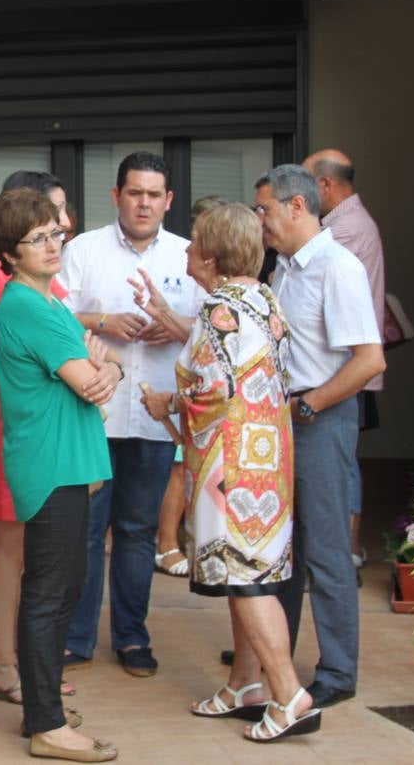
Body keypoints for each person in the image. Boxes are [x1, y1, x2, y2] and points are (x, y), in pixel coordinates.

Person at [139, 203, 318, 742]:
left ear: (212, 255)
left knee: (246, 579)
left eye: (193, 241)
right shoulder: (263, 298)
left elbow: (211, 388)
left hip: (231, 468)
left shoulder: (219, 307)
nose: (187, 250)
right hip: (267, 459)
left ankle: (288, 694)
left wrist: (165, 401)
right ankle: (245, 685)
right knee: (251, 573)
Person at [0, 171, 118, 704]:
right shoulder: (5, 283)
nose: (61, 229)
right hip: (23, 425)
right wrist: (100, 367)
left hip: (52, 426)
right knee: (16, 551)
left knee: (44, 563)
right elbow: (58, 356)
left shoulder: (43, 289)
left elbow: (91, 358)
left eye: (60, 224)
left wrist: (105, 365)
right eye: (49, 219)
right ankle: (7, 662)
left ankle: (32, 663)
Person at [60, 151, 203, 678]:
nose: (143, 203)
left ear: (169, 201)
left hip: (154, 414)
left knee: (140, 532)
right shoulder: (82, 249)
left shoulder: (189, 255)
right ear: (116, 195)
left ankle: (132, 638)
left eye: (154, 195)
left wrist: (178, 325)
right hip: (92, 411)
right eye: (134, 192)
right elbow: (53, 316)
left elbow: (213, 329)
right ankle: (76, 638)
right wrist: (102, 321)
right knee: (88, 532)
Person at [253, 164, 385, 710]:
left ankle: (337, 670)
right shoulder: (282, 267)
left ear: (297, 207)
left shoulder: (338, 268)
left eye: (265, 209)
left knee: (327, 551)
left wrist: (308, 405)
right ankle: (276, 653)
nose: (259, 219)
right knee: (283, 550)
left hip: (319, 419)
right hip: (283, 422)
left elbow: (368, 361)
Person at [302, 149, 387, 568]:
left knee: (344, 464)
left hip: (345, 371)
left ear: (324, 186)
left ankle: (345, 551)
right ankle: (343, 551)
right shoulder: (349, 222)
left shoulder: (343, 232)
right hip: (344, 369)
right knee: (346, 462)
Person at [136, 195, 228, 579]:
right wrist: (164, 317)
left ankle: (193, 542)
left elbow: (215, 340)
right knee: (178, 471)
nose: (187, 247)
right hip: (189, 399)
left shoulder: (234, 302)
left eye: (197, 240)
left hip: (204, 408)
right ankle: (167, 542)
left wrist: (169, 321)